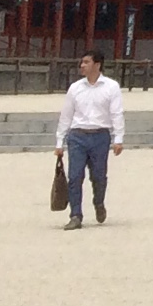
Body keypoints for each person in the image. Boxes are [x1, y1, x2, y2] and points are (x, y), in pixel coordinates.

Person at [54, 51, 123, 228]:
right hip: (77, 135)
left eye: (86, 62)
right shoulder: (75, 88)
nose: (82, 65)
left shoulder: (111, 87)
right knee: (75, 176)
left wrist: (118, 138)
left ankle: (99, 202)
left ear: (97, 64)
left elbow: (116, 113)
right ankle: (75, 214)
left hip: (100, 135)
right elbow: (66, 115)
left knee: (99, 176)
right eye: (82, 62)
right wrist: (59, 141)